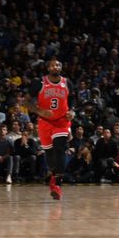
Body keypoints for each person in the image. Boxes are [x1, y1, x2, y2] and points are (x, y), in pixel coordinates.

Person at [25, 58, 75, 200]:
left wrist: (72, 111)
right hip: (45, 122)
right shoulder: (39, 83)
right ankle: (54, 175)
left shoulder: (67, 83)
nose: (55, 66)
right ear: (48, 68)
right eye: (52, 65)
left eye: (58, 64)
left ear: (61, 67)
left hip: (62, 121)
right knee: (50, 157)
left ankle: (57, 183)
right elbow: (26, 101)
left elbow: (73, 99)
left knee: (60, 148)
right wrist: (39, 111)